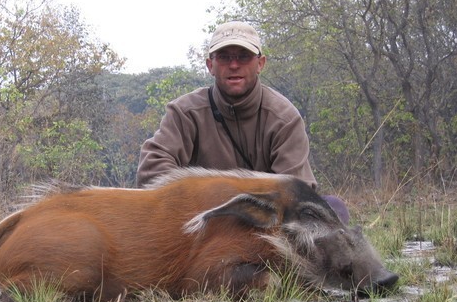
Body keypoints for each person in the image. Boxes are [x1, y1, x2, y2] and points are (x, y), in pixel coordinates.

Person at [136, 20, 349, 224]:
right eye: (224, 57)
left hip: (263, 225)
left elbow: (297, 192)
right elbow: (152, 171)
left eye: (244, 56)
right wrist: (213, 203)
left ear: (260, 64)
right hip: (201, 222)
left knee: (332, 209)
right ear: (211, 65)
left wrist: (245, 210)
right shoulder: (185, 112)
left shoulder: (285, 118)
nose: (234, 65)